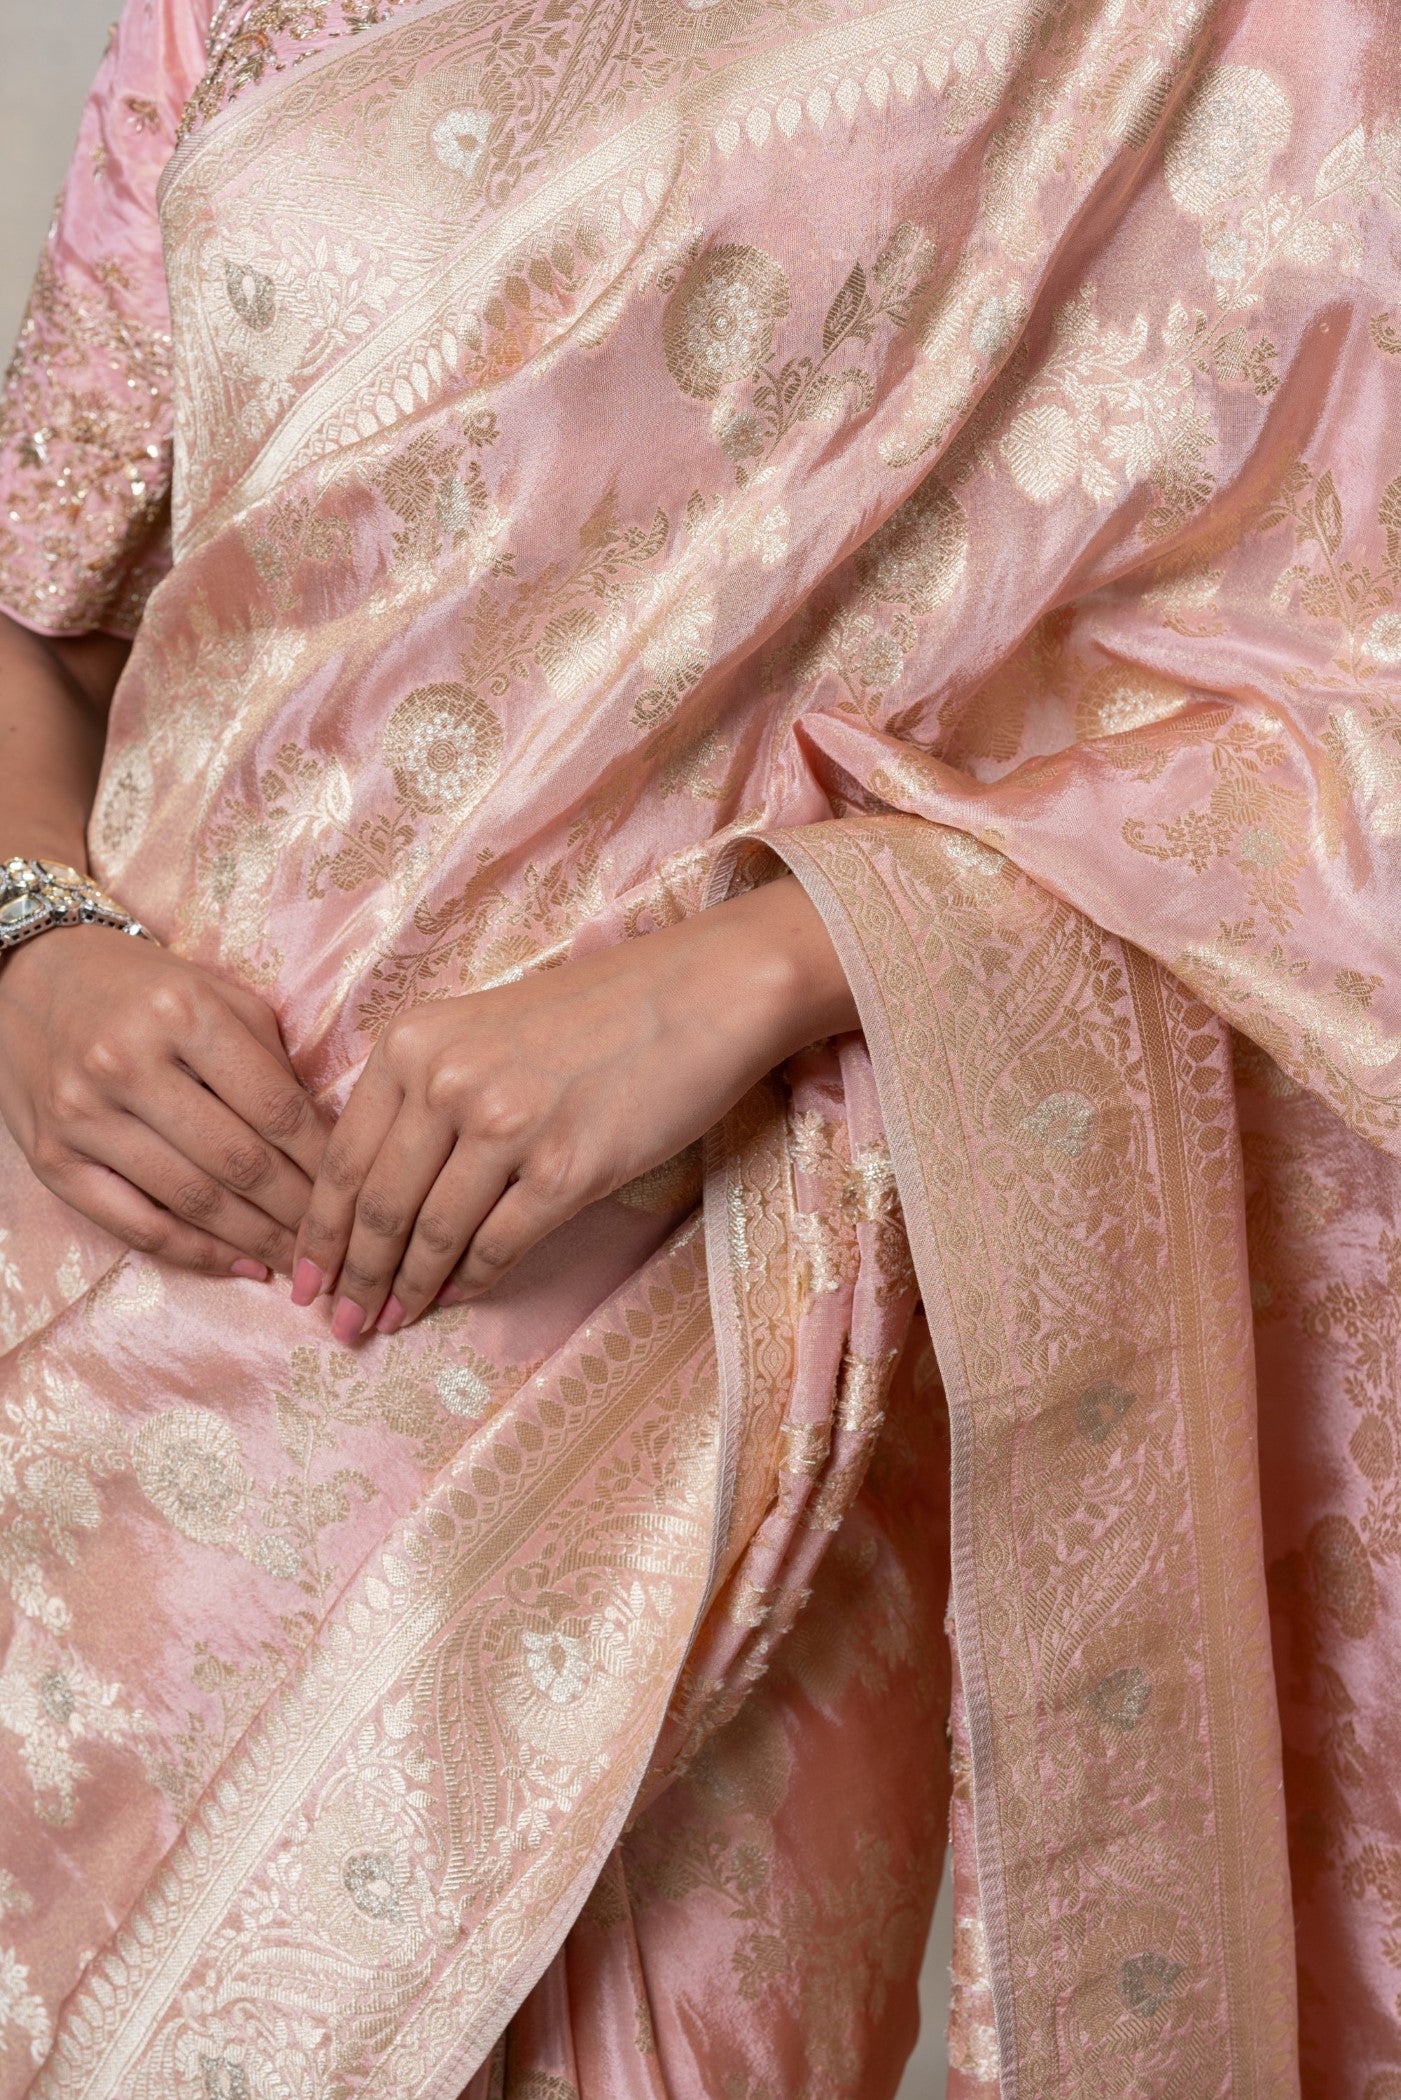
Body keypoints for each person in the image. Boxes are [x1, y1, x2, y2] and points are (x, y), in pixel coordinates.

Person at [0, 0, 1396, 2092]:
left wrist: (763, 967)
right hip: (91, 1403)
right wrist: (35, 939)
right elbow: (46, 607)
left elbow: (1347, 716)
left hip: (706, 1402)